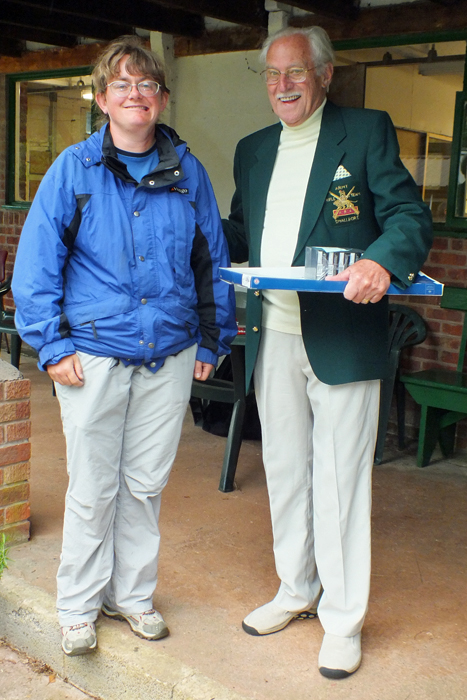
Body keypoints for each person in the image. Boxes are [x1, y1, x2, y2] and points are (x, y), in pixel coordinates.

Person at [12, 36, 236, 657]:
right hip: (95, 354)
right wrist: (51, 346)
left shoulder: (188, 173)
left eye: (147, 86)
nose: (135, 95)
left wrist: (213, 339)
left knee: (144, 483)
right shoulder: (73, 170)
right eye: (122, 85)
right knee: (92, 486)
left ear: (161, 100)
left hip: (168, 352)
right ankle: (79, 605)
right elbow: (35, 266)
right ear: (102, 98)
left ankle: (132, 596)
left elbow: (210, 260)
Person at [222, 26, 432, 679]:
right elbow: (235, 230)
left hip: (343, 336)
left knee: (339, 482)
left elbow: (408, 218)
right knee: (285, 471)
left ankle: (342, 620)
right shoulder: (252, 150)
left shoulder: (365, 131)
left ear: (323, 74)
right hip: (273, 334)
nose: (282, 85)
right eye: (272, 75)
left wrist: (379, 260)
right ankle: (295, 590)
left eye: (295, 73)